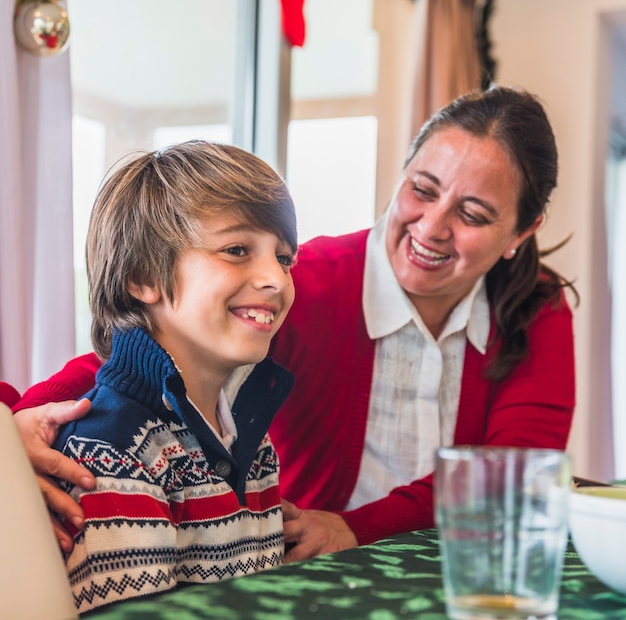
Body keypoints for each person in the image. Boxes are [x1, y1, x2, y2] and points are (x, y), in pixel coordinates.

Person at [13, 85, 576, 565]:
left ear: (523, 232)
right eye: (421, 190)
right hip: (303, 564)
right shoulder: (312, 281)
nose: (431, 226)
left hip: (455, 566)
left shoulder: (537, 307)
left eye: (473, 214)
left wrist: (359, 527)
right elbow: (151, 351)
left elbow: (515, 479)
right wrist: (10, 426)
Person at [18, 140, 297, 614]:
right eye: (236, 249)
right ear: (143, 276)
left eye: (285, 257)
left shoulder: (253, 440)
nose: (277, 278)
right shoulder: (111, 455)